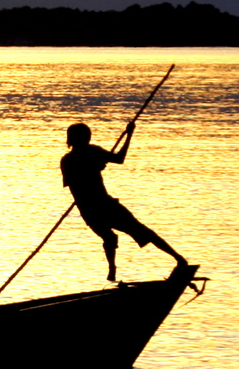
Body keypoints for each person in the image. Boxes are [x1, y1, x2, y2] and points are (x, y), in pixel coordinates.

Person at [61, 121, 188, 282]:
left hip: (87, 209)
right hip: (105, 205)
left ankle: (112, 270)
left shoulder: (67, 160)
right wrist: (129, 134)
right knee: (142, 231)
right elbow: (119, 159)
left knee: (109, 238)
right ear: (85, 138)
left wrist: (96, 167)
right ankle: (178, 258)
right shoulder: (92, 152)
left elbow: (75, 185)